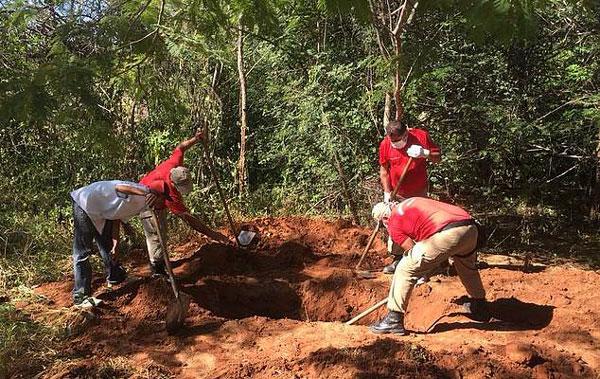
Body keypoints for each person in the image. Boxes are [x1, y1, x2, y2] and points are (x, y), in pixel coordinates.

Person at [369, 197, 490, 335]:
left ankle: (393, 320)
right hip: (470, 228)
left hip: (447, 233)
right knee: (467, 268)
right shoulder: (411, 201)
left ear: (384, 218)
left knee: (404, 268)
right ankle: (480, 307)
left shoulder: (393, 223)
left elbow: (412, 251)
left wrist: (422, 274)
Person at [139, 130, 229, 276]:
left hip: (157, 193)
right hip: (144, 198)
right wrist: (212, 234)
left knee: (162, 230)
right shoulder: (171, 192)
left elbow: (180, 147)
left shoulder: (176, 166)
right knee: (156, 233)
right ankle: (157, 269)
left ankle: (161, 260)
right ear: (174, 184)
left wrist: (195, 139)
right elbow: (189, 219)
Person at [70, 180, 166, 308]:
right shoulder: (143, 192)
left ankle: (115, 276)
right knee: (82, 252)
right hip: (84, 203)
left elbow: (116, 219)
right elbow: (119, 187)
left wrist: (116, 244)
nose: (163, 205)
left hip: (102, 211)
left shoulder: (144, 206)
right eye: (162, 201)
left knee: (108, 245)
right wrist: (147, 192)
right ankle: (80, 297)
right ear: (157, 195)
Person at [379, 120, 441, 274]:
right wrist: (387, 194)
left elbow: (438, 157)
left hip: (419, 192)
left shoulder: (421, 136)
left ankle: (424, 263)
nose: (395, 143)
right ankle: (399, 259)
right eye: (392, 141)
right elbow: (384, 171)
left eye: (398, 140)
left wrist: (425, 153)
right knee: (395, 224)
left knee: (419, 226)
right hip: (397, 193)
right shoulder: (386, 144)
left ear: (406, 134)